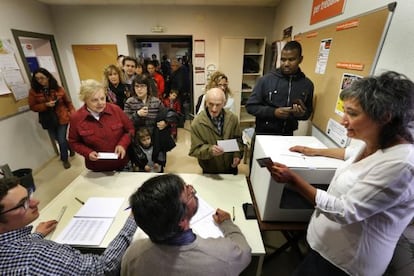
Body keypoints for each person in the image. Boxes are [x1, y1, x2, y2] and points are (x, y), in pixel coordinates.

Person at [269, 71, 414, 275]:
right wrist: (314, 150)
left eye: (352, 114)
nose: (343, 120)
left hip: (346, 263)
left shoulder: (401, 165)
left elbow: (345, 211)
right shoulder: (376, 141)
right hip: (325, 249)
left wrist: (293, 180)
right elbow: (349, 153)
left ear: (384, 117)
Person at [0, 177, 137, 275]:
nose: (35, 202)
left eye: (29, 195)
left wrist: (36, 236)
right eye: (23, 203)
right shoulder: (37, 257)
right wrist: (133, 219)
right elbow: (104, 268)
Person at [121, 174, 251, 276]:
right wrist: (227, 223)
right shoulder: (222, 254)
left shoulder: (132, 255)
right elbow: (244, 251)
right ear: (181, 220)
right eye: (189, 195)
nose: (191, 189)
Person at [245, 40, 314, 135]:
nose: (286, 64)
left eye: (291, 59)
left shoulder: (307, 85)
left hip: (288, 134)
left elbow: (308, 113)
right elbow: (250, 107)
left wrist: (301, 114)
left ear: (300, 59)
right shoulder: (266, 80)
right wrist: (273, 112)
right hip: (264, 134)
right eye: (283, 59)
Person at [68, 79, 134, 172]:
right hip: (97, 167)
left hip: (122, 164)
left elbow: (130, 130)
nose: (100, 103)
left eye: (102, 98)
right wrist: (88, 153)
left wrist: (122, 144)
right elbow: (73, 142)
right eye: (94, 100)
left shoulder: (115, 110)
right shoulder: (76, 118)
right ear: (85, 100)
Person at [28, 68, 75, 169]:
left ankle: (65, 159)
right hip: (48, 119)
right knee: (57, 139)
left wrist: (72, 113)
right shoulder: (33, 92)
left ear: (48, 77)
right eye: (37, 79)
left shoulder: (58, 88)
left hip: (62, 117)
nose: (40, 81)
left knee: (61, 139)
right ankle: (70, 148)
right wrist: (45, 105)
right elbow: (32, 107)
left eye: (42, 78)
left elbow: (68, 102)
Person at [189, 88, 243, 174]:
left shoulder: (233, 119)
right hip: (210, 170)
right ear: (206, 102)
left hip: (231, 168)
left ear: (224, 103)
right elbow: (194, 150)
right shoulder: (197, 123)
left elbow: (238, 140)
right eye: (211, 104)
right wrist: (210, 150)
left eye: (218, 105)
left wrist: (237, 155)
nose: (214, 109)